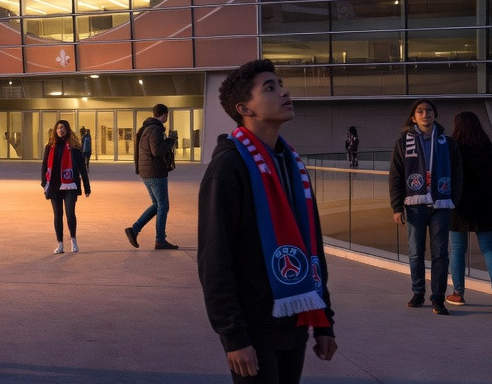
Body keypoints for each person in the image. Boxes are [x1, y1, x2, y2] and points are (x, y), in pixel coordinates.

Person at [198, 59, 337, 383]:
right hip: (253, 327)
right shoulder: (229, 167)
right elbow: (214, 258)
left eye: (280, 84)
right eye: (270, 88)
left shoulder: (292, 163)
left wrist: (324, 322)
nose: (284, 92)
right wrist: (233, 335)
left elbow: (311, 245)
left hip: (296, 321)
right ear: (244, 107)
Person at [388, 98, 463, 315]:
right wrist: (396, 207)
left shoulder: (448, 143)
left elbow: (458, 173)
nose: (425, 114)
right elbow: (396, 176)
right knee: (415, 253)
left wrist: (454, 198)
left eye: (428, 110)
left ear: (434, 115)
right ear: (413, 117)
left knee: (440, 253)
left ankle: (438, 298)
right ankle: (418, 292)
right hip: (414, 205)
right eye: (420, 111)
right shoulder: (404, 143)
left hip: (441, 204)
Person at [446, 111, 492, 310]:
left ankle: (458, 293)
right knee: (490, 249)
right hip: (485, 203)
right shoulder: (489, 148)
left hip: (459, 204)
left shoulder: (454, 148)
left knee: (457, 250)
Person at [125, 103, 179, 250]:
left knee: (157, 205)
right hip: (155, 173)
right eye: (167, 115)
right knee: (163, 206)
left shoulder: (147, 128)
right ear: (164, 115)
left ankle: (134, 230)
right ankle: (160, 240)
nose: (167, 117)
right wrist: (171, 141)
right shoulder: (155, 129)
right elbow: (157, 151)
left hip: (147, 172)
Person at [41, 119, 90, 254]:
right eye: (58, 128)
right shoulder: (50, 147)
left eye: (62, 127)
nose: (60, 130)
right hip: (55, 186)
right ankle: (60, 244)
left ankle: (73, 240)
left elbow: (82, 168)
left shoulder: (74, 147)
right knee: (58, 215)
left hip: (70, 186)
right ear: (55, 131)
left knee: (70, 214)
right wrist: (43, 183)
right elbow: (44, 166)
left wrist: (87, 186)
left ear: (67, 129)